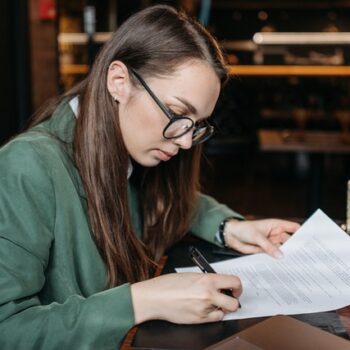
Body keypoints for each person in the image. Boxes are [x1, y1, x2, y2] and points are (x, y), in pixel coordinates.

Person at [0, 5, 300, 349]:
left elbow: (164, 199)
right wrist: (141, 301)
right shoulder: (25, 167)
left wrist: (228, 227)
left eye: (197, 125)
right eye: (177, 113)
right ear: (119, 82)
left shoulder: (129, 150)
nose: (187, 141)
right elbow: (7, 329)